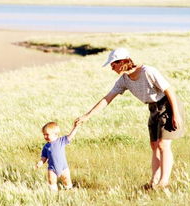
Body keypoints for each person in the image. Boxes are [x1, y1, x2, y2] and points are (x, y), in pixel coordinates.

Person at [75, 48, 184, 189]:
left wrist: (176, 114)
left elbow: (169, 90)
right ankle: (154, 181)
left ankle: (164, 182)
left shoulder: (148, 71)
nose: (112, 68)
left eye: (113, 65)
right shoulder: (124, 80)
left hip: (168, 105)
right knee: (154, 145)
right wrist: (87, 116)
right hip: (153, 108)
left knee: (164, 145)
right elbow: (107, 99)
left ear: (122, 62)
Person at [35, 121, 79, 191]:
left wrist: (75, 127)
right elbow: (44, 157)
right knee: (51, 180)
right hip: (52, 168)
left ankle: (69, 189)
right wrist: (41, 162)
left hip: (63, 167)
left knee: (66, 180)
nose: (45, 136)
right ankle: (53, 193)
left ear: (55, 134)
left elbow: (71, 135)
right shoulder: (46, 146)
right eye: (44, 135)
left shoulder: (61, 141)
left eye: (47, 134)